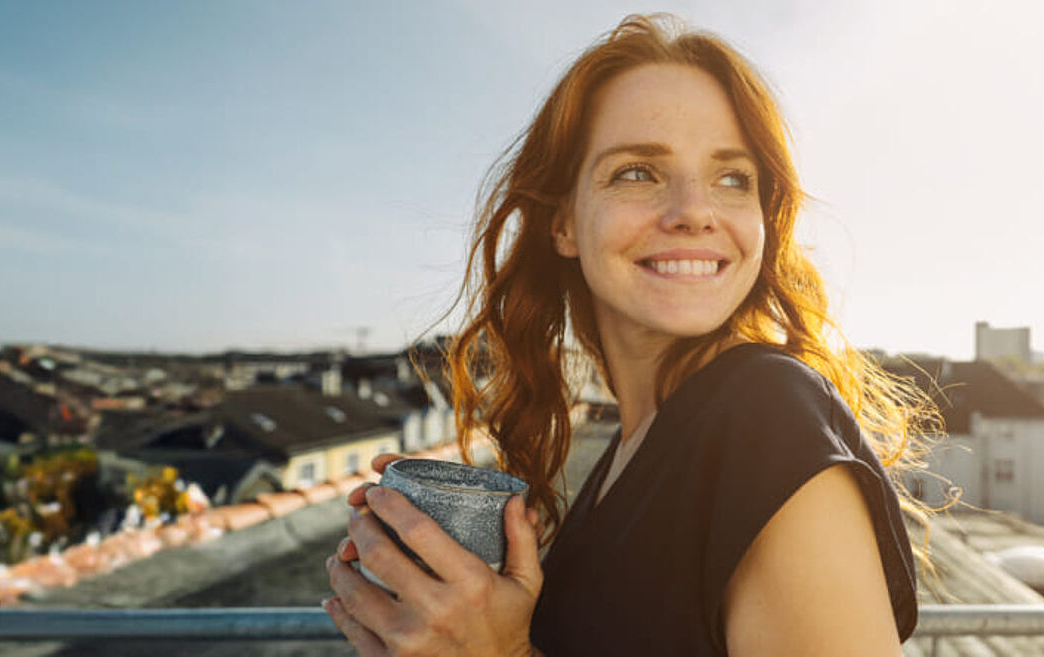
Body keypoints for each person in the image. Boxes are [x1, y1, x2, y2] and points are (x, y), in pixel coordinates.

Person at [324, 14, 939, 656]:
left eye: (733, 178)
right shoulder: (636, 444)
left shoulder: (766, 418)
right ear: (563, 223)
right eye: (638, 172)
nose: (695, 212)